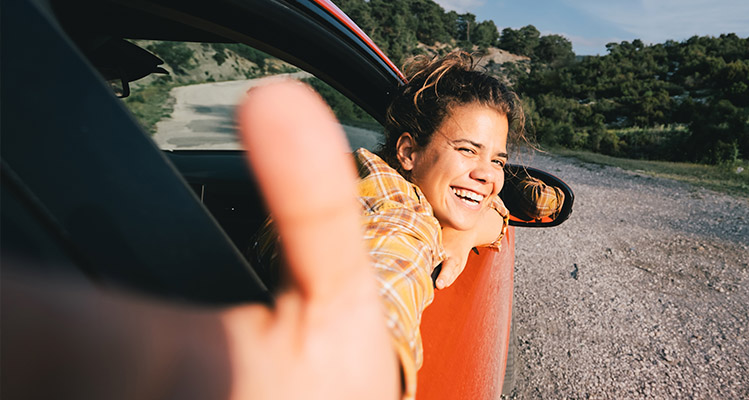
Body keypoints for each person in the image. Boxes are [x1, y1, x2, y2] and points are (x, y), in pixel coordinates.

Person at [3, 80, 399, 399]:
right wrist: (374, 357)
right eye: (463, 149)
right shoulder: (396, 207)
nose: (466, 172)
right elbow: (394, 264)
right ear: (408, 150)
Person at [248, 51, 538, 399]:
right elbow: (387, 268)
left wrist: (468, 232)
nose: (486, 174)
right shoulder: (403, 215)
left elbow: (497, 207)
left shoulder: (349, 171)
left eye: (497, 160)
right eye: (466, 150)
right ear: (408, 152)